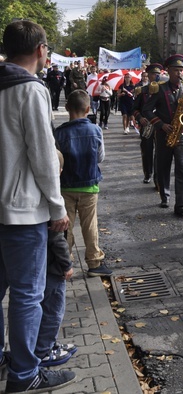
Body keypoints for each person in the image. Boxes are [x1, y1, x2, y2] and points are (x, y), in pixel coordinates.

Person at [0, 20, 77, 392]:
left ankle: (4, 360)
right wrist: (57, 206)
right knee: (28, 296)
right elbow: (44, 156)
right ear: (41, 50)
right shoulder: (31, 89)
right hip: (22, 210)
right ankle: (25, 374)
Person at [54, 89, 111, 277]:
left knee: (65, 227)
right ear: (88, 108)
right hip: (89, 186)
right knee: (90, 225)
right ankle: (94, 263)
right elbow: (101, 158)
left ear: (67, 107)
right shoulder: (95, 130)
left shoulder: (59, 133)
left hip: (66, 186)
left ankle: (65, 261)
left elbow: (57, 161)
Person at [35, 150, 78, 368]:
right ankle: (44, 350)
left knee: (39, 309)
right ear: (59, 172)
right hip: (53, 268)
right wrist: (67, 265)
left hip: (37, 265)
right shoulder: (54, 201)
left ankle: (44, 346)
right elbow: (58, 239)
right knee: (53, 311)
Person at [142, 54, 183, 216]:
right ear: (168, 71)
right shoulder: (160, 88)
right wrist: (160, 124)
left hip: (182, 135)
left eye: (181, 70)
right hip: (164, 134)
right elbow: (146, 110)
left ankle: (180, 204)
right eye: (175, 70)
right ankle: (165, 195)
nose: (179, 73)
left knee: (181, 168)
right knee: (164, 167)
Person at [132, 63, 162, 184]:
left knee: (160, 152)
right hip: (146, 125)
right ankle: (148, 173)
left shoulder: (163, 90)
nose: (156, 76)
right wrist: (140, 118)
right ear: (148, 75)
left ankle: (157, 176)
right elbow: (134, 109)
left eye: (158, 74)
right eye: (154, 74)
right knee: (147, 150)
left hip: (159, 125)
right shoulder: (142, 91)